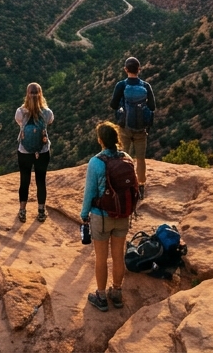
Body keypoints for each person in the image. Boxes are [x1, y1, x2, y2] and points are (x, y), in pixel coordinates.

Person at [81, 122, 138, 312]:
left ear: (100, 141)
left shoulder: (96, 162)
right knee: (118, 256)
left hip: (101, 216)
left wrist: (84, 215)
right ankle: (117, 293)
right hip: (122, 214)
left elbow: (89, 193)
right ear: (117, 139)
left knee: (101, 258)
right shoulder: (127, 158)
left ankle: (101, 296)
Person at [110, 57, 156, 193]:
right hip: (141, 129)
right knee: (140, 159)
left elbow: (113, 105)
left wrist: (123, 107)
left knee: (123, 156)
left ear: (126, 69)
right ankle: (141, 185)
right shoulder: (146, 86)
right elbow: (152, 107)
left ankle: (123, 183)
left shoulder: (121, 85)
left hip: (124, 127)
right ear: (139, 69)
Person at [14, 82, 54, 223]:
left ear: (27, 94)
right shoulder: (47, 113)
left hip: (24, 151)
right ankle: (41, 211)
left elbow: (19, 123)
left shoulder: (20, 112)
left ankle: (22, 211)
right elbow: (50, 122)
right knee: (40, 181)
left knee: (24, 181)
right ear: (41, 94)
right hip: (42, 151)